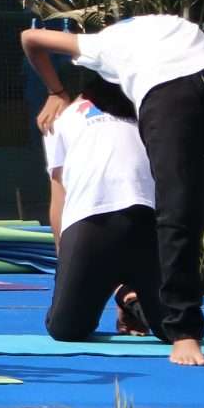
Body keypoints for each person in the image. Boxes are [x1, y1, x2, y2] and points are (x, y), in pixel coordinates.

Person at [23, 16, 204, 366]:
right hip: (166, 90)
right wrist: (57, 93)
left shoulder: (108, 41)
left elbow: (31, 38)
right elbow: (30, 36)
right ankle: (185, 333)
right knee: (177, 208)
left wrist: (55, 91)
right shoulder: (103, 45)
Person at [36, 75, 158, 342]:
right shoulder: (64, 118)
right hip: (91, 220)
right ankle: (125, 292)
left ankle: (128, 295)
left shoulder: (146, 114)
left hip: (144, 216)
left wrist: (64, 259)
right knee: (65, 329)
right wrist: (66, 262)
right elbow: (61, 196)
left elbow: (58, 199)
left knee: (177, 329)